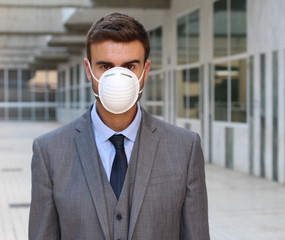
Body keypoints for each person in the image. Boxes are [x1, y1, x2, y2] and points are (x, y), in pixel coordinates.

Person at [28, 12, 210, 240]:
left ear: (146, 71)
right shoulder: (49, 151)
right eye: (105, 66)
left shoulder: (185, 147)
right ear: (88, 70)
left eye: (130, 66)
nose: (118, 77)